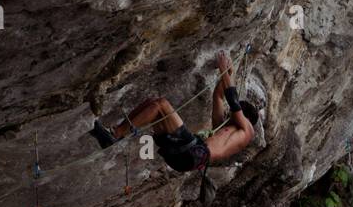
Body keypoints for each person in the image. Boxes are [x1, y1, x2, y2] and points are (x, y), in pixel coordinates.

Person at [89, 49, 257, 173]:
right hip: (182, 156)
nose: (228, 114)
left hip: (192, 153)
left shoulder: (247, 130)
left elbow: (234, 103)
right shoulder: (224, 128)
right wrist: (229, 73)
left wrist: (222, 68)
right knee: (152, 106)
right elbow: (218, 97)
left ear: (245, 116)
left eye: (233, 115)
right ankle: (114, 134)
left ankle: (116, 135)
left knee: (162, 104)